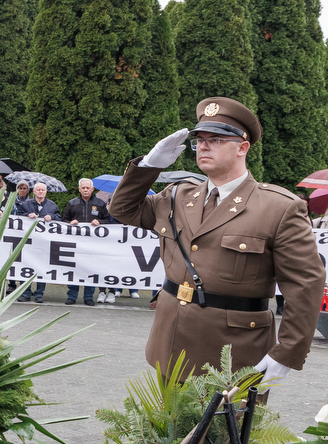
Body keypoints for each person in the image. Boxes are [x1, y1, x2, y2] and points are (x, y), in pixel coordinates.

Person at [110, 96, 325, 378]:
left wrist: (288, 352)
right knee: (167, 410)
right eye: (199, 140)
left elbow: (305, 284)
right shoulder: (178, 195)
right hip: (170, 342)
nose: (203, 146)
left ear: (243, 148)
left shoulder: (278, 207)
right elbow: (123, 209)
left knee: (225, 412)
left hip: (234, 351)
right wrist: (150, 166)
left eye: (216, 139)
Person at [63, 178, 115, 302]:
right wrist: (71, 223)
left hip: (93, 244)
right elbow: (64, 220)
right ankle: (72, 296)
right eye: (83, 188)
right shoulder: (72, 203)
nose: (85, 190)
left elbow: (108, 221)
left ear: (92, 189)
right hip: (76, 243)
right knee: (74, 269)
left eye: (88, 188)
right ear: (79, 189)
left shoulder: (100, 203)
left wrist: (99, 221)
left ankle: (88, 297)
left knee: (90, 269)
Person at [16, 183, 59, 304]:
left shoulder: (52, 205)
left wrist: (52, 216)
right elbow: (17, 217)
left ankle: (39, 293)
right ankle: (25, 293)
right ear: (34, 191)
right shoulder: (25, 204)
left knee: (42, 267)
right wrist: (27, 215)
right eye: (38, 190)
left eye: (43, 190)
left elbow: (59, 218)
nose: (40, 192)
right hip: (28, 242)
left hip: (43, 243)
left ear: (46, 192)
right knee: (25, 266)